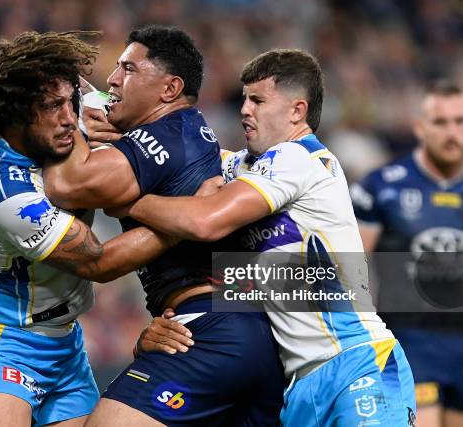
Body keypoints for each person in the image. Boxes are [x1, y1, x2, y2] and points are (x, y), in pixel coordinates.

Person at [114, 49, 417, 426]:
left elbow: (205, 222)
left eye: (258, 100)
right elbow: (267, 282)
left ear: (297, 111)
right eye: (243, 99)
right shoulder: (245, 167)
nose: (244, 109)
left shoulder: (299, 159)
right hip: (297, 386)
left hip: (356, 364)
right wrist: (175, 321)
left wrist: (130, 202)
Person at [0, 31, 193, 427]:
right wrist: (193, 218)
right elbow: (98, 262)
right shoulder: (4, 191)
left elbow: (153, 130)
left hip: (64, 344)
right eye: (52, 107)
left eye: (69, 102)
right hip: (0, 338)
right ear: (17, 113)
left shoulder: (69, 111)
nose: (68, 117)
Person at [43, 25, 285, 426]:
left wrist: (74, 128)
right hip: (243, 332)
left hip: (208, 329)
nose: (113, 79)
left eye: (128, 69)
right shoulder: (185, 134)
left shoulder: (167, 138)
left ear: (169, 89)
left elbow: (67, 186)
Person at [351, 80, 463, 427]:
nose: (451, 132)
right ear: (419, 127)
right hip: (411, 340)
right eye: (440, 122)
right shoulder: (381, 187)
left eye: (460, 121)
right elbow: (350, 266)